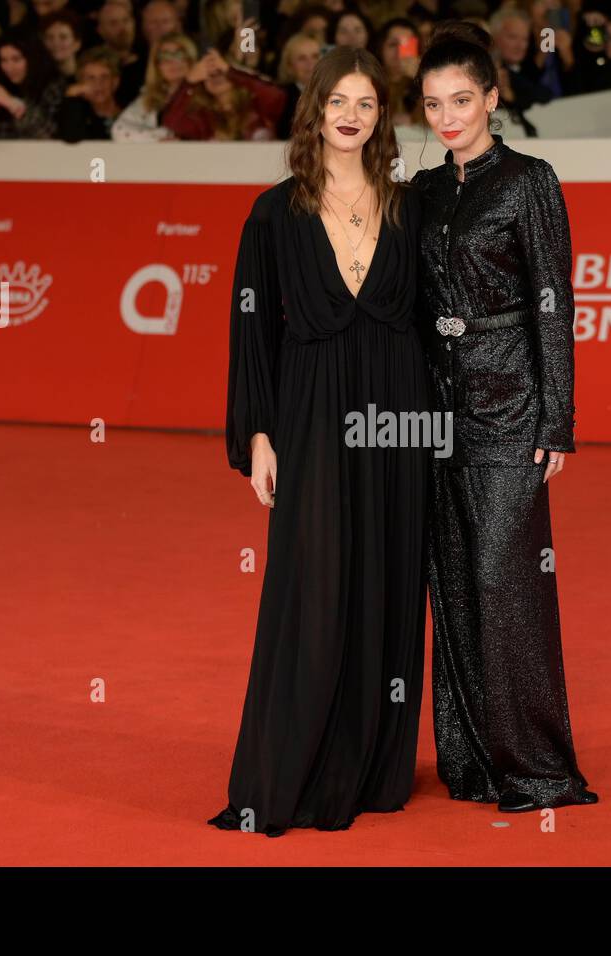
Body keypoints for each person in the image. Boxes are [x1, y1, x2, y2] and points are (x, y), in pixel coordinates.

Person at [209, 43, 430, 837]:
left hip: (400, 421)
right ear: (314, 109)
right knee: (314, 582)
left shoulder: (409, 205)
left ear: (381, 117)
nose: (351, 115)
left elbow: (432, 331)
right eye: (338, 100)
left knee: (386, 580)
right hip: (309, 414)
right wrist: (259, 434)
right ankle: (289, 765)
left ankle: (371, 764)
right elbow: (251, 332)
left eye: (367, 104)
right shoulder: (273, 213)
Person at [410, 20, 597, 814]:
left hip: (511, 402)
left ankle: (537, 768)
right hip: (434, 410)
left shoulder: (529, 180)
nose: (448, 117)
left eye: (462, 99)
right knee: (452, 584)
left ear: (492, 97)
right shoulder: (420, 191)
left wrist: (557, 419)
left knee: (506, 582)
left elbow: (554, 304)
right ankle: (475, 762)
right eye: (431, 104)